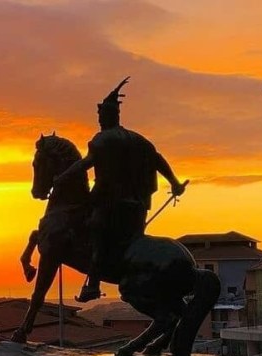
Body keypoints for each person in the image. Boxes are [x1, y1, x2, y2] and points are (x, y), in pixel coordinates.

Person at [54, 77, 186, 303]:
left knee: (96, 231)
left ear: (106, 116)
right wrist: (174, 182)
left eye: (100, 116)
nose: (99, 120)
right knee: (129, 238)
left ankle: (93, 283)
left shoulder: (104, 139)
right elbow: (158, 160)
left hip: (110, 204)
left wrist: (62, 177)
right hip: (137, 208)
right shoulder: (139, 140)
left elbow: (86, 163)